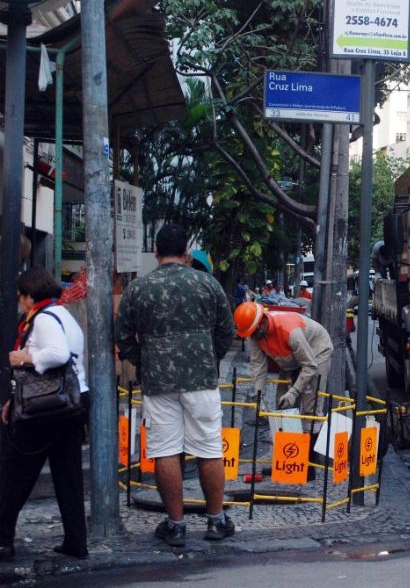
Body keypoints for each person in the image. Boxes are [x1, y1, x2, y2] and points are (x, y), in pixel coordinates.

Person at [115, 225, 235, 547]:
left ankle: (176, 525)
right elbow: (227, 330)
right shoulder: (206, 283)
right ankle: (216, 520)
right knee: (209, 449)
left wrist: (146, 360)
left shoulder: (139, 289)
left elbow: (123, 337)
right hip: (201, 379)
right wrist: (209, 356)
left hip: (158, 382)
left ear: (156, 253)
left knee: (165, 450)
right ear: (187, 253)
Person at [0, 268, 90, 560]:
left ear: (30, 295)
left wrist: (24, 356)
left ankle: (3, 539)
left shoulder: (43, 319)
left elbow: (58, 354)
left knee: (17, 472)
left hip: (46, 408)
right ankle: (76, 541)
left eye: (21, 296)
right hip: (71, 402)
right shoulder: (63, 315)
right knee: (67, 474)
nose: (19, 302)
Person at [233, 302, 333, 433]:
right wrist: (259, 396)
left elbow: (310, 365)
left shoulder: (290, 332)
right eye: (249, 334)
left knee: (311, 407)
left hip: (316, 352)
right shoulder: (255, 334)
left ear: (263, 322)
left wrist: (294, 392)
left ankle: (310, 448)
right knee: (283, 403)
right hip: (291, 358)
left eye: (254, 332)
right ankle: (290, 446)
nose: (253, 337)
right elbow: (258, 365)